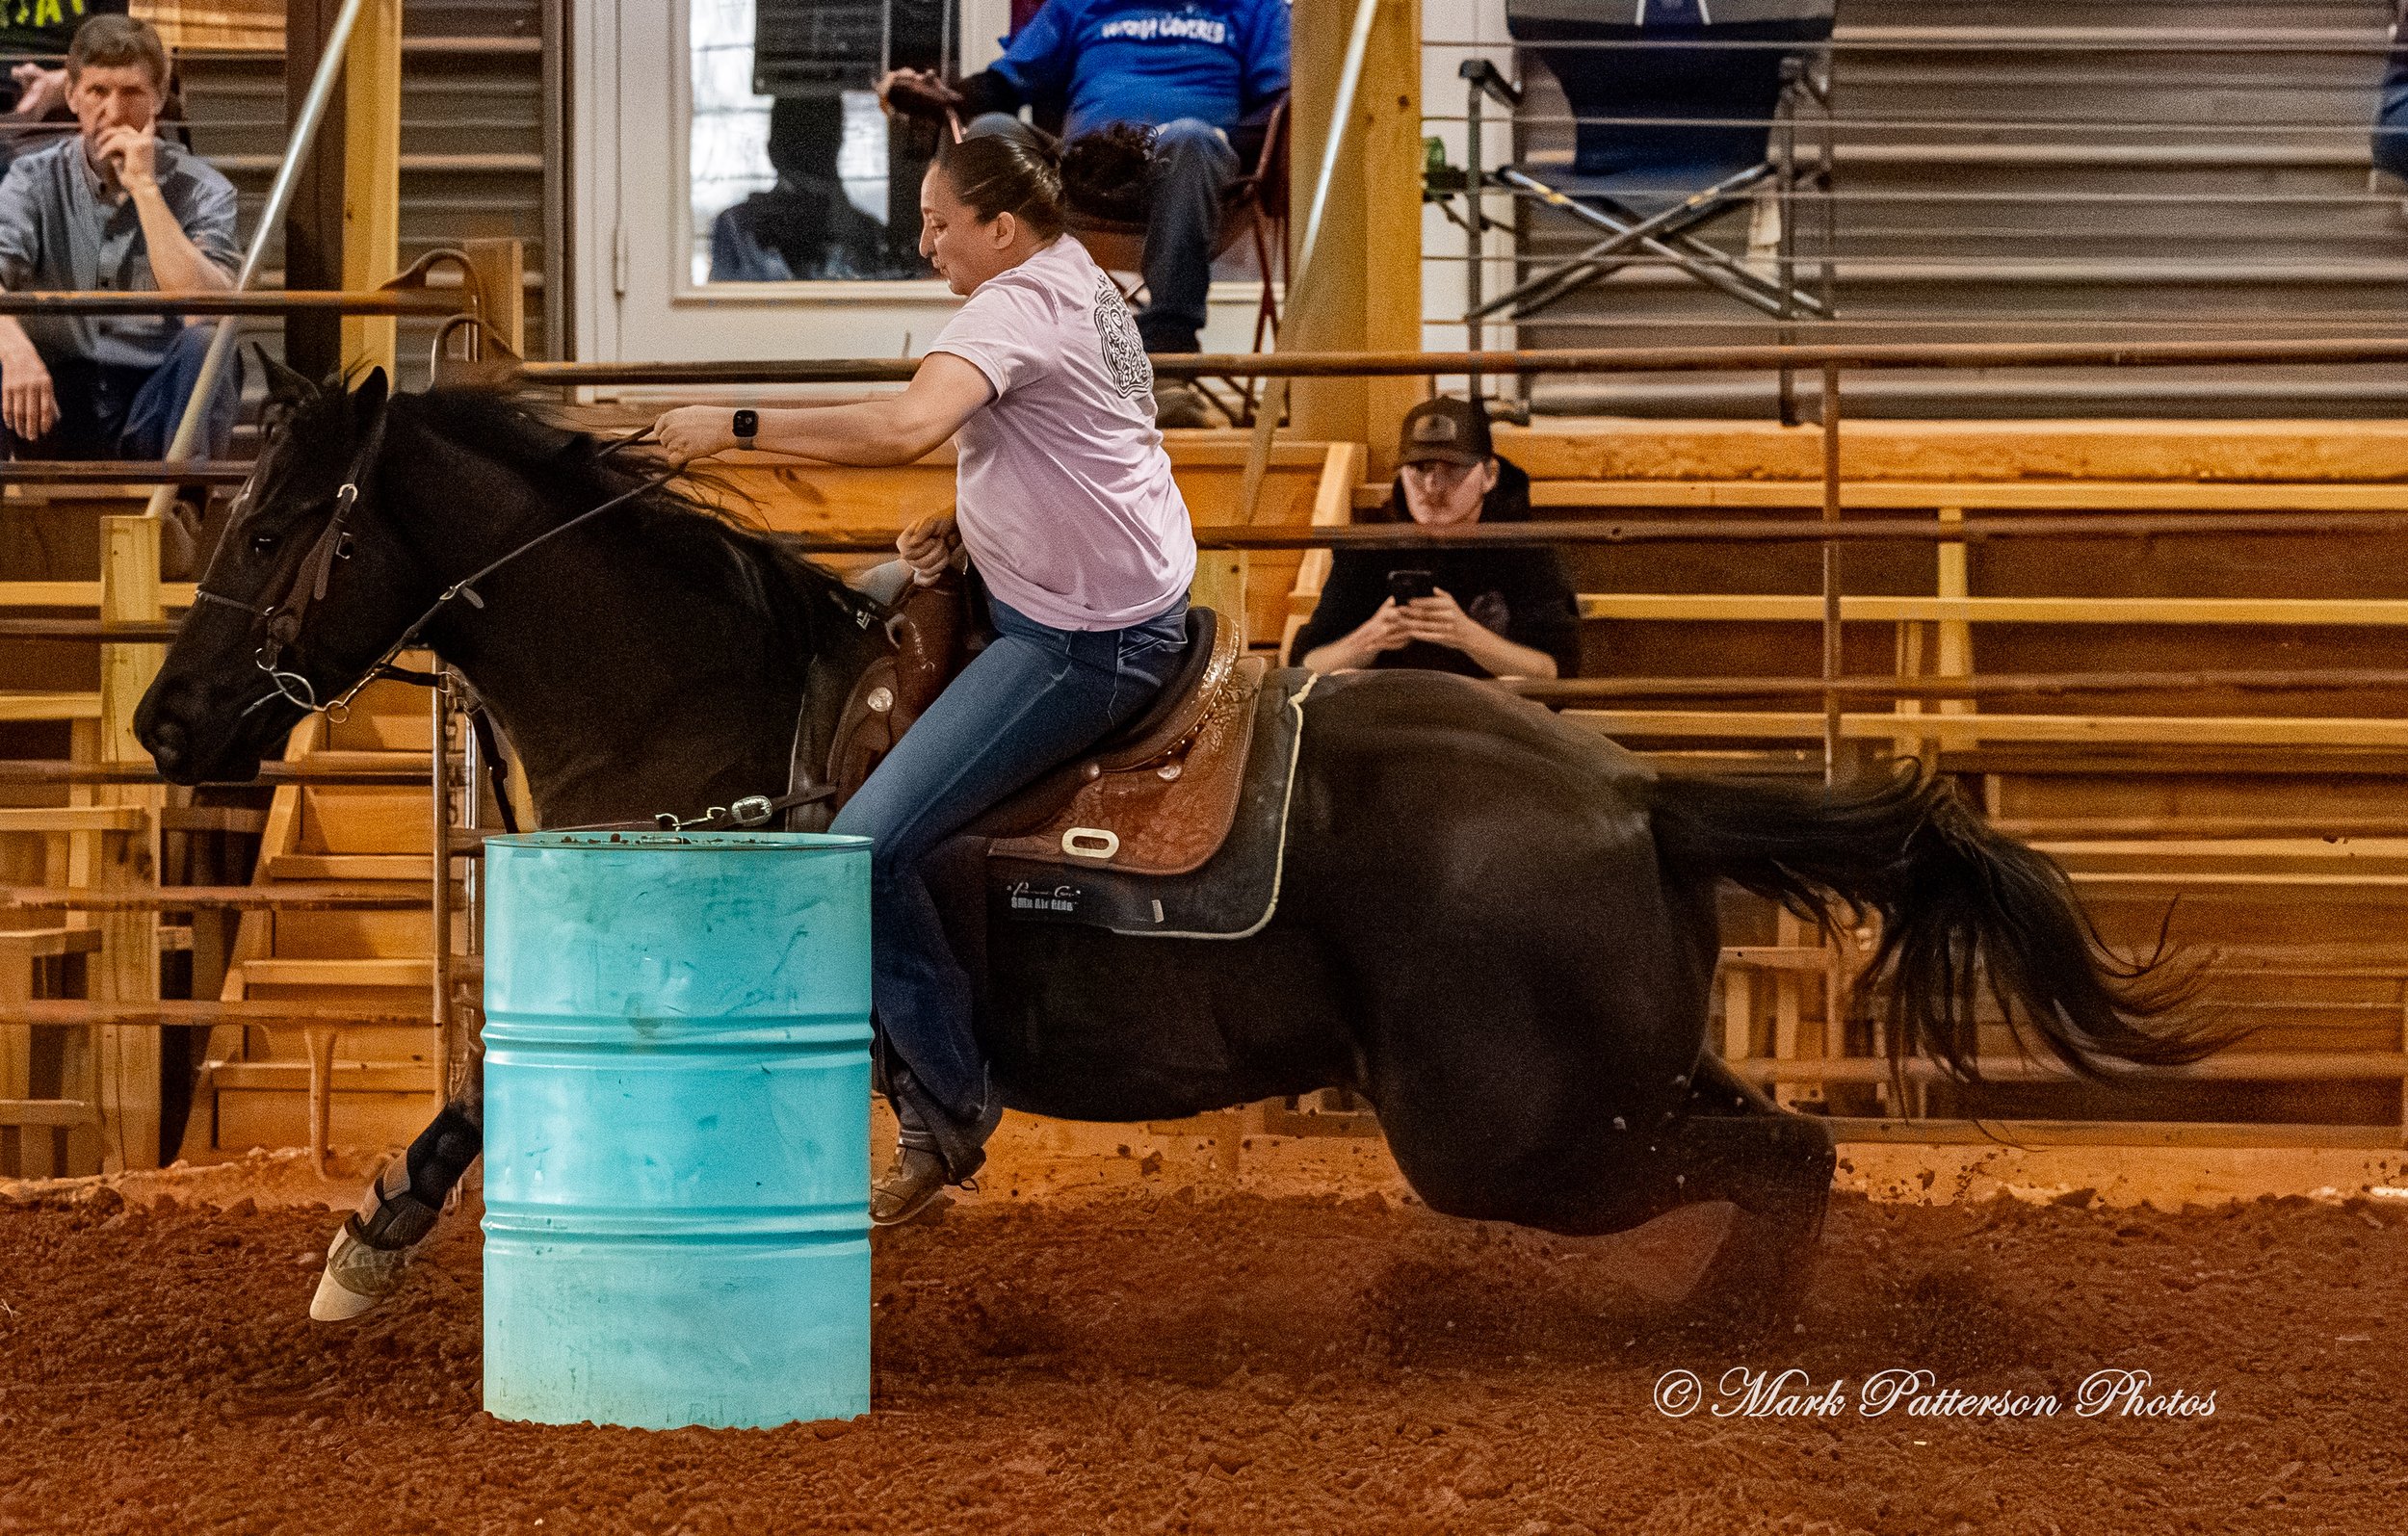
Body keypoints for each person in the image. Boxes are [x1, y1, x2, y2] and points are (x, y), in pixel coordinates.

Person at [654, 123, 1197, 1225]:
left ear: (1000, 227)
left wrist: (732, 424)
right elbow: (1087, 441)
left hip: (1081, 637)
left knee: (857, 850)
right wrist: (974, 520)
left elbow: (904, 425)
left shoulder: (1012, 307)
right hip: (1108, 587)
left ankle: (946, 1101)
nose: (924, 240)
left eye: (941, 222)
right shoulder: (1083, 282)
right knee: (838, 615)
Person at [878, 0, 1290, 425]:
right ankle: (1002, 344)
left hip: (1189, 170)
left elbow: (1278, 100)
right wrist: (942, 95)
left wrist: (1227, 141)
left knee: (1190, 137)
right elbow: (1007, 81)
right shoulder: (1081, 4)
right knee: (990, 133)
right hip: (1083, 170)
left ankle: (1168, 359)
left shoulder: (1251, 7)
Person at [0, 13, 238, 468]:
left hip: (154, 402)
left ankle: (177, 522)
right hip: (50, 399)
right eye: (98, 92)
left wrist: (146, 191)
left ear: (158, 99)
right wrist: (14, 349)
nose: (113, 111)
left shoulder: (204, 188)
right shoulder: (31, 179)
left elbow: (210, 308)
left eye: (131, 93)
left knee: (208, 346)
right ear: (71, 97)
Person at [1288, 397, 1581, 682]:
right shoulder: (1370, 545)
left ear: (1489, 475)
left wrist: (1468, 637)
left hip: (1485, 723)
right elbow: (1303, 665)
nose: (1432, 485)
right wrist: (1370, 638)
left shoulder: (1525, 549)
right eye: (1419, 468)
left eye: (1453, 469)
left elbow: (1558, 670)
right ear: (1402, 471)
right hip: (1390, 720)